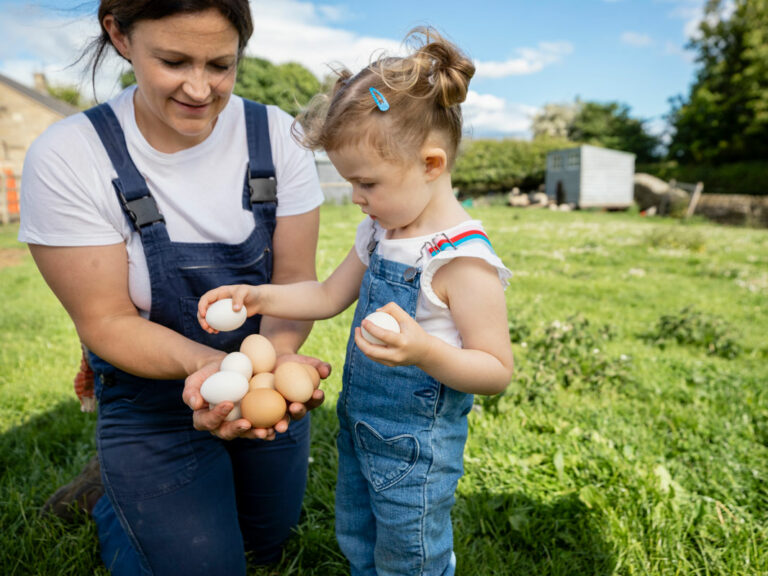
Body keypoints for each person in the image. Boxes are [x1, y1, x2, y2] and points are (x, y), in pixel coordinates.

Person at [19, 1, 328, 574]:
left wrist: (275, 369)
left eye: (220, 64)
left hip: (257, 376)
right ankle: (114, 495)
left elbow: (293, 281)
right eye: (174, 60)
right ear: (119, 34)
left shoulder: (276, 138)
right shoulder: (69, 155)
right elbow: (106, 320)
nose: (200, 88)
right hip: (149, 399)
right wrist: (212, 371)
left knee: (267, 543)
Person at [196, 27, 515, 576]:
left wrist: (424, 352)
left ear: (431, 165)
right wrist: (258, 295)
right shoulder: (380, 233)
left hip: (417, 451)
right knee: (359, 538)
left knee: (411, 556)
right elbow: (325, 295)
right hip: (360, 426)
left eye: (366, 184)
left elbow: (495, 370)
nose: (358, 200)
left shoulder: (462, 260)